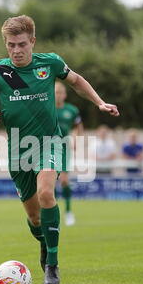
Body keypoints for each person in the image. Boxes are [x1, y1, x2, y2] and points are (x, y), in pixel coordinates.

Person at [0, 15, 119, 284]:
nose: (16, 50)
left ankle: (52, 262)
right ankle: (45, 244)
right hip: (18, 148)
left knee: (46, 193)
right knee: (34, 217)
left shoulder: (49, 63)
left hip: (50, 143)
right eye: (10, 45)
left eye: (21, 44)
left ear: (33, 42)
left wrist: (99, 103)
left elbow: (76, 81)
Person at [55, 81, 84, 227]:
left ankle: (68, 211)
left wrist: (76, 139)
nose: (58, 95)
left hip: (64, 148)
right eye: (56, 93)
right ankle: (52, 214)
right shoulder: (46, 108)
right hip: (47, 147)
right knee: (49, 182)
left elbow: (78, 126)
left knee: (64, 180)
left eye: (60, 93)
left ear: (65, 95)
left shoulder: (71, 110)